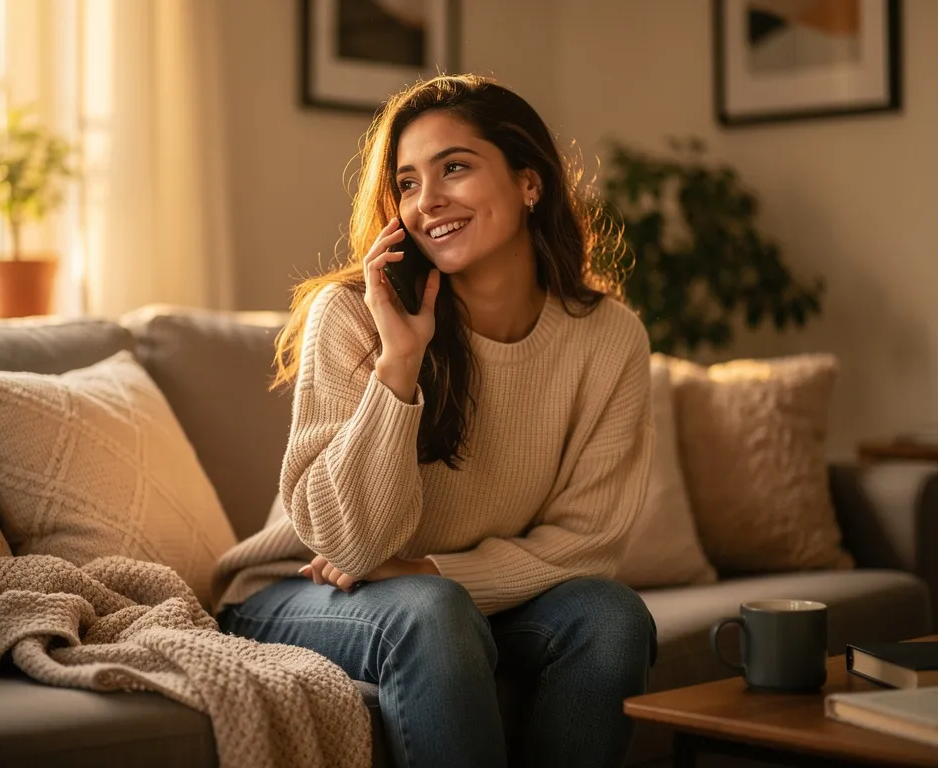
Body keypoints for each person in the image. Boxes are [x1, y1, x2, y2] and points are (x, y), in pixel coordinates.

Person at [214, 73, 657, 768]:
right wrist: (401, 360)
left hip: (439, 593)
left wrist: (426, 567)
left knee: (611, 617)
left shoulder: (610, 338)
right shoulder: (356, 316)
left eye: (455, 168)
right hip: (298, 591)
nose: (429, 202)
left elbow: (587, 543)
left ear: (529, 183)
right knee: (432, 612)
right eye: (409, 183)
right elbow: (351, 549)